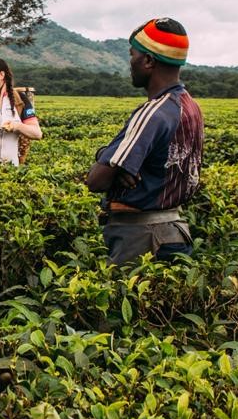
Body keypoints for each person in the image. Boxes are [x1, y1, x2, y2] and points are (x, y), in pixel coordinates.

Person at [85, 18, 204, 265]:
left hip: (142, 239)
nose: (131, 63)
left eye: (133, 55)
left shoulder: (153, 112)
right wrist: (110, 159)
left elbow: (96, 180)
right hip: (175, 231)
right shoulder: (190, 107)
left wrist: (109, 163)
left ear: (148, 61)